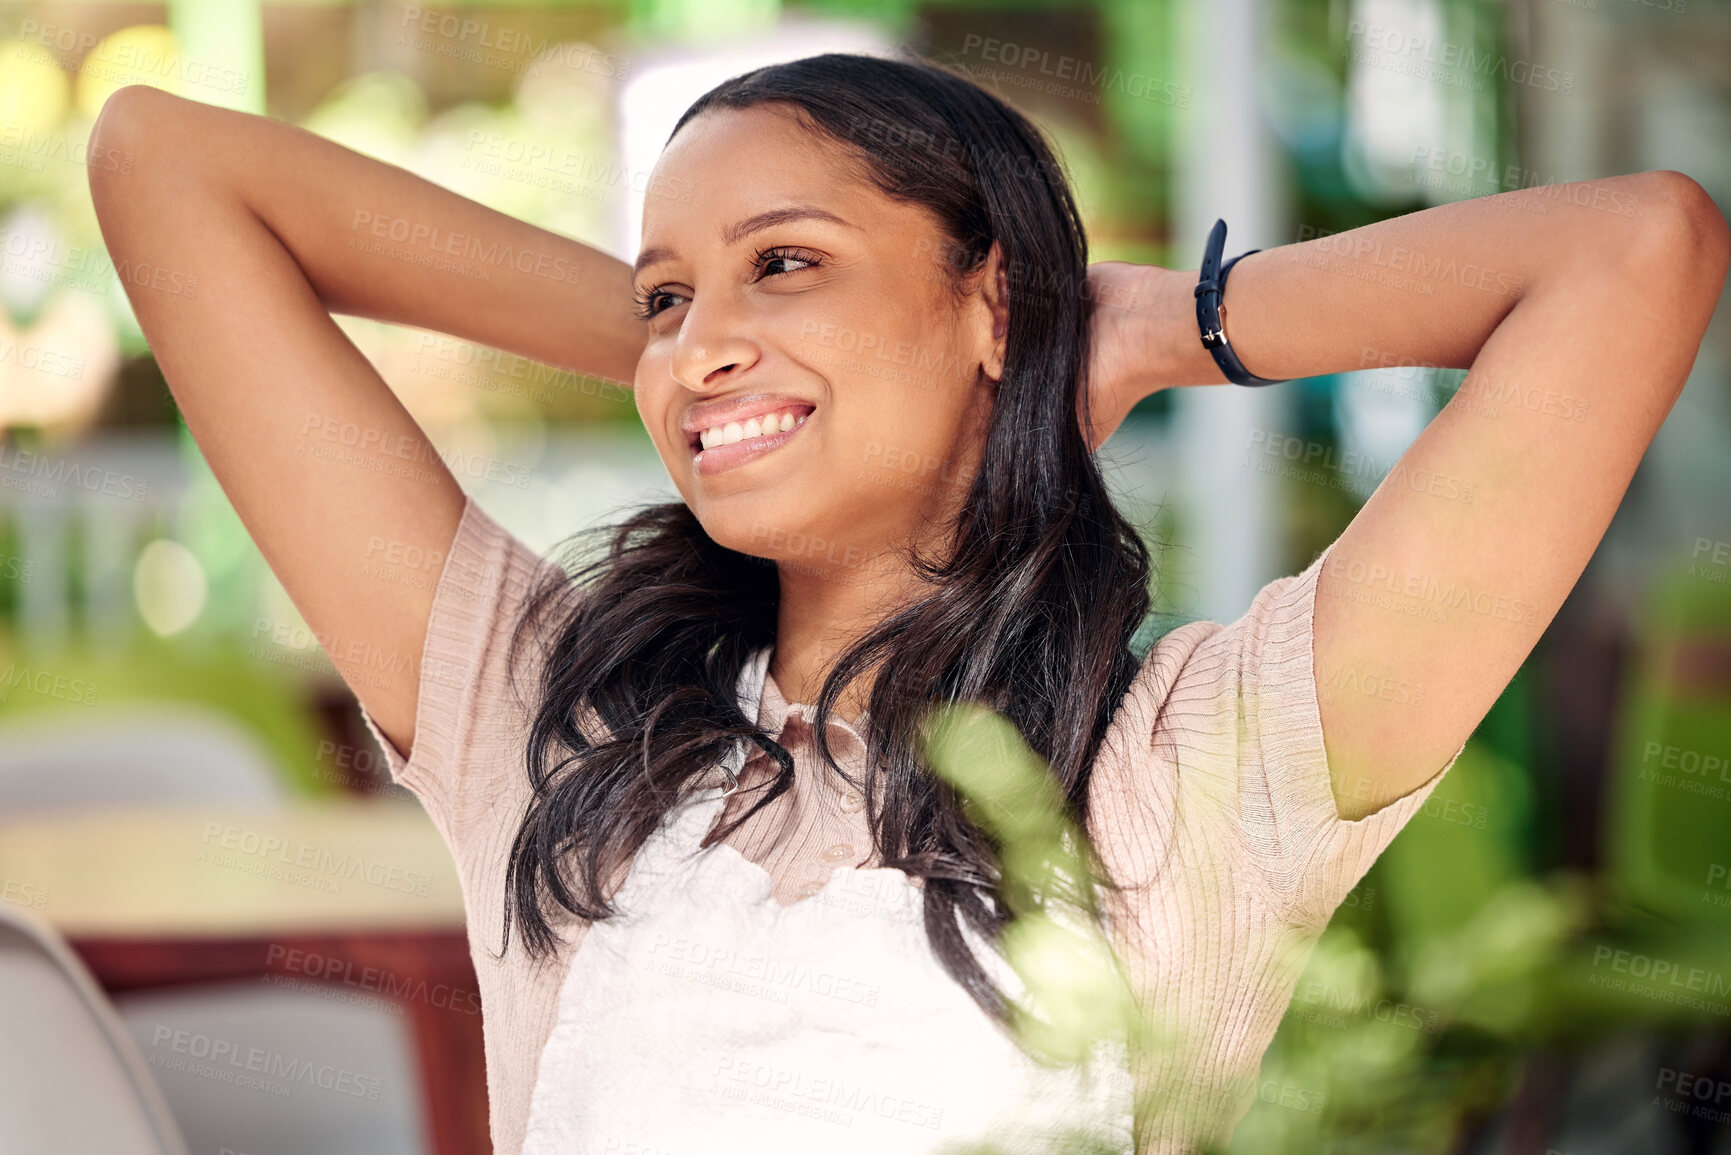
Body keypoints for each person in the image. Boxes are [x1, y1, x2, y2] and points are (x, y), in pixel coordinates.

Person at [87, 50, 1726, 1155]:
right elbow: (164, 165)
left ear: (992, 301)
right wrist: (720, 358)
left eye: (788, 260)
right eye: (665, 292)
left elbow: (1636, 253)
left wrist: (1149, 328)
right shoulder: (552, 718)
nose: (698, 330)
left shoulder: (1209, 767)